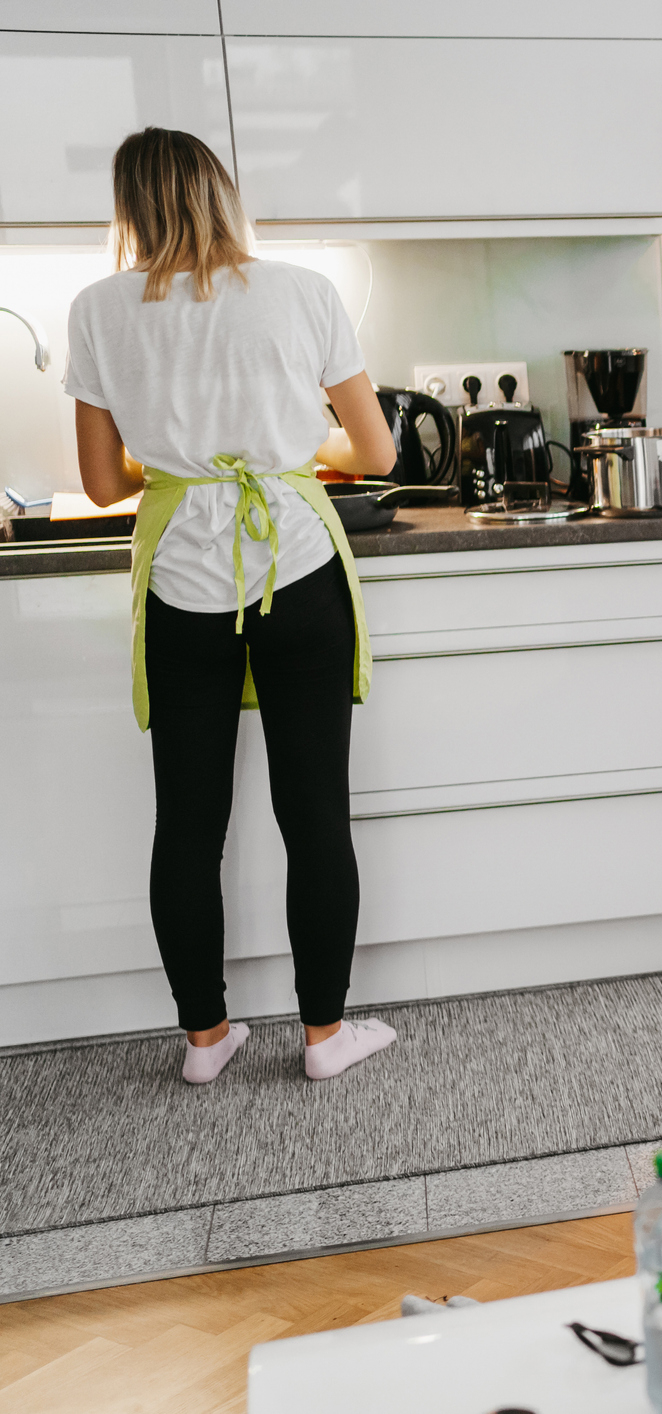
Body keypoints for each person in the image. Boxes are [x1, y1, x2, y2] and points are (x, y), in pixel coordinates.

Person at [69, 128, 402, 1085]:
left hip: (183, 579)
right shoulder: (303, 291)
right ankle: (325, 1038)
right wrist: (288, 450)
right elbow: (377, 454)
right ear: (221, 193)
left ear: (129, 207)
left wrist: (187, 462)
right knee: (315, 811)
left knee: (187, 820)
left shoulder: (98, 309)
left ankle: (205, 1042)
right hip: (297, 566)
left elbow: (102, 484)